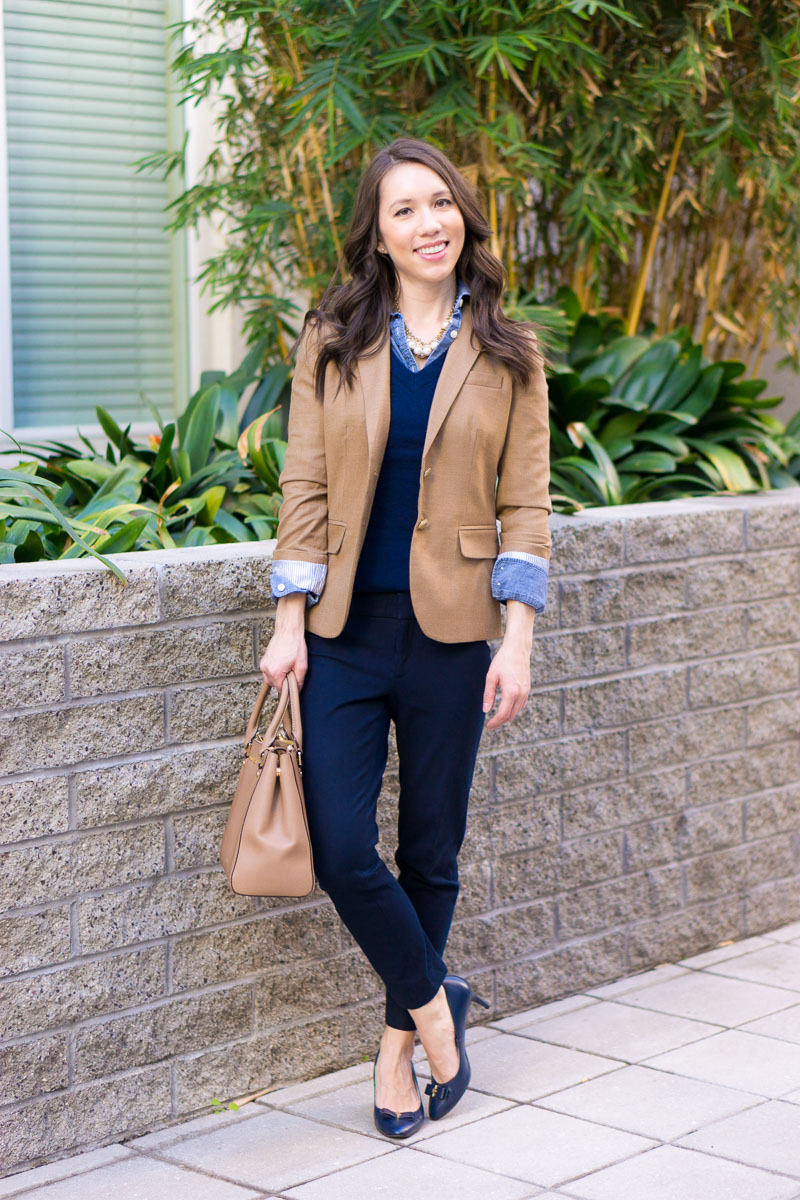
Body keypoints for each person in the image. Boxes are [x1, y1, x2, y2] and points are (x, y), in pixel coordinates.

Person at [259, 137, 552, 1138]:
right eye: (402, 210)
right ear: (375, 236)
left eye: (441, 205)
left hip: (453, 632)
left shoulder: (509, 350)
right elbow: (302, 485)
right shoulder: (332, 335)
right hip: (341, 630)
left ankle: (394, 1053)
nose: (427, 223)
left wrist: (515, 643)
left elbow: (525, 505)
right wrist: (286, 622)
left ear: (464, 219)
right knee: (342, 848)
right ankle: (435, 1006)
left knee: (430, 850)